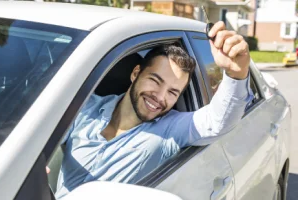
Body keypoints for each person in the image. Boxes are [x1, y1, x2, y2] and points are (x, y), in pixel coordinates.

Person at [55, 21, 253, 199]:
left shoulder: (170, 130)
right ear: (135, 74)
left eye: (172, 92)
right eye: (155, 81)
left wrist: (236, 73)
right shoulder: (85, 108)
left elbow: (218, 121)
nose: (160, 97)